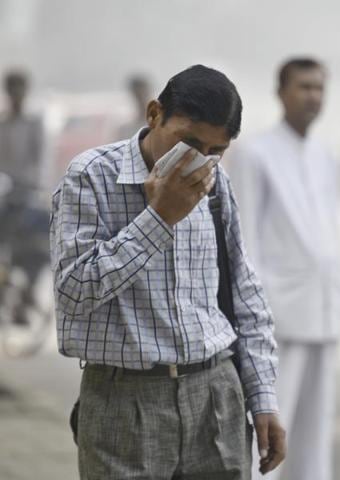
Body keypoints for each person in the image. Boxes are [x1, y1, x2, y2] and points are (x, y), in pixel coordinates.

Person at [50, 64, 285, 479]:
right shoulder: (91, 176)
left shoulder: (217, 184)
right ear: (154, 114)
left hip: (216, 396)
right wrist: (158, 219)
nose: (199, 160)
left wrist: (262, 397)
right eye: (188, 142)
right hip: (125, 400)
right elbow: (73, 291)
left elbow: (244, 292)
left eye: (215, 150)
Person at [227, 57, 340, 480]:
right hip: (277, 317)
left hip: (323, 309)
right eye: (304, 87)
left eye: (319, 87)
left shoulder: (325, 156)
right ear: (281, 92)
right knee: (271, 434)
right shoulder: (255, 154)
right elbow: (245, 244)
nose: (313, 95)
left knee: (315, 435)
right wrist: (252, 316)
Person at [0, 69, 47, 327]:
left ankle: (28, 291)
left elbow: (41, 161)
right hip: (4, 196)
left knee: (37, 247)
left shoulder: (34, 122)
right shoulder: (2, 122)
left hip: (28, 195)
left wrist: (36, 188)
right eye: (12, 89)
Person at [116, 74, 152, 140]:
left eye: (143, 93)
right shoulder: (125, 129)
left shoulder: (162, 125)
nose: (141, 98)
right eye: (137, 94)